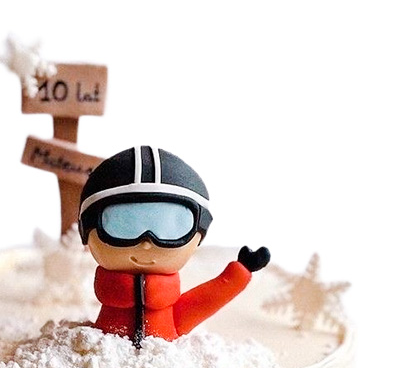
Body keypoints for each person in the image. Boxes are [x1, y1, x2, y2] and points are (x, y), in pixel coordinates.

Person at [78, 146, 270, 348]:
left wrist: (239, 272)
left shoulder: (171, 312)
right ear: (86, 229)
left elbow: (205, 301)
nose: (147, 243)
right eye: (124, 224)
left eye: (171, 228)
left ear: (199, 233)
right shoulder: (102, 318)